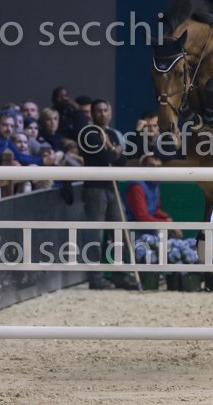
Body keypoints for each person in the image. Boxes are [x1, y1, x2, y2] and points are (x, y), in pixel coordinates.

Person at [79, 99, 134, 290]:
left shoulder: (112, 134)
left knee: (120, 232)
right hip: (95, 188)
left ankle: (120, 275)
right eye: (98, 111)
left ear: (110, 113)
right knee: (95, 234)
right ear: (92, 114)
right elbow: (105, 158)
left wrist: (113, 150)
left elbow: (122, 161)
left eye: (105, 110)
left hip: (113, 187)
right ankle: (95, 277)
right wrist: (114, 150)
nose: (102, 114)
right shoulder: (88, 133)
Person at [123, 154, 182, 239]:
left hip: (148, 227)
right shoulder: (136, 187)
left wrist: (167, 218)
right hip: (134, 229)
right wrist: (167, 224)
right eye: (151, 166)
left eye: (158, 166)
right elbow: (142, 216)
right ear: (143, 167)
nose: (155, 169)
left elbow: (155, 210)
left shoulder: (154, 184)